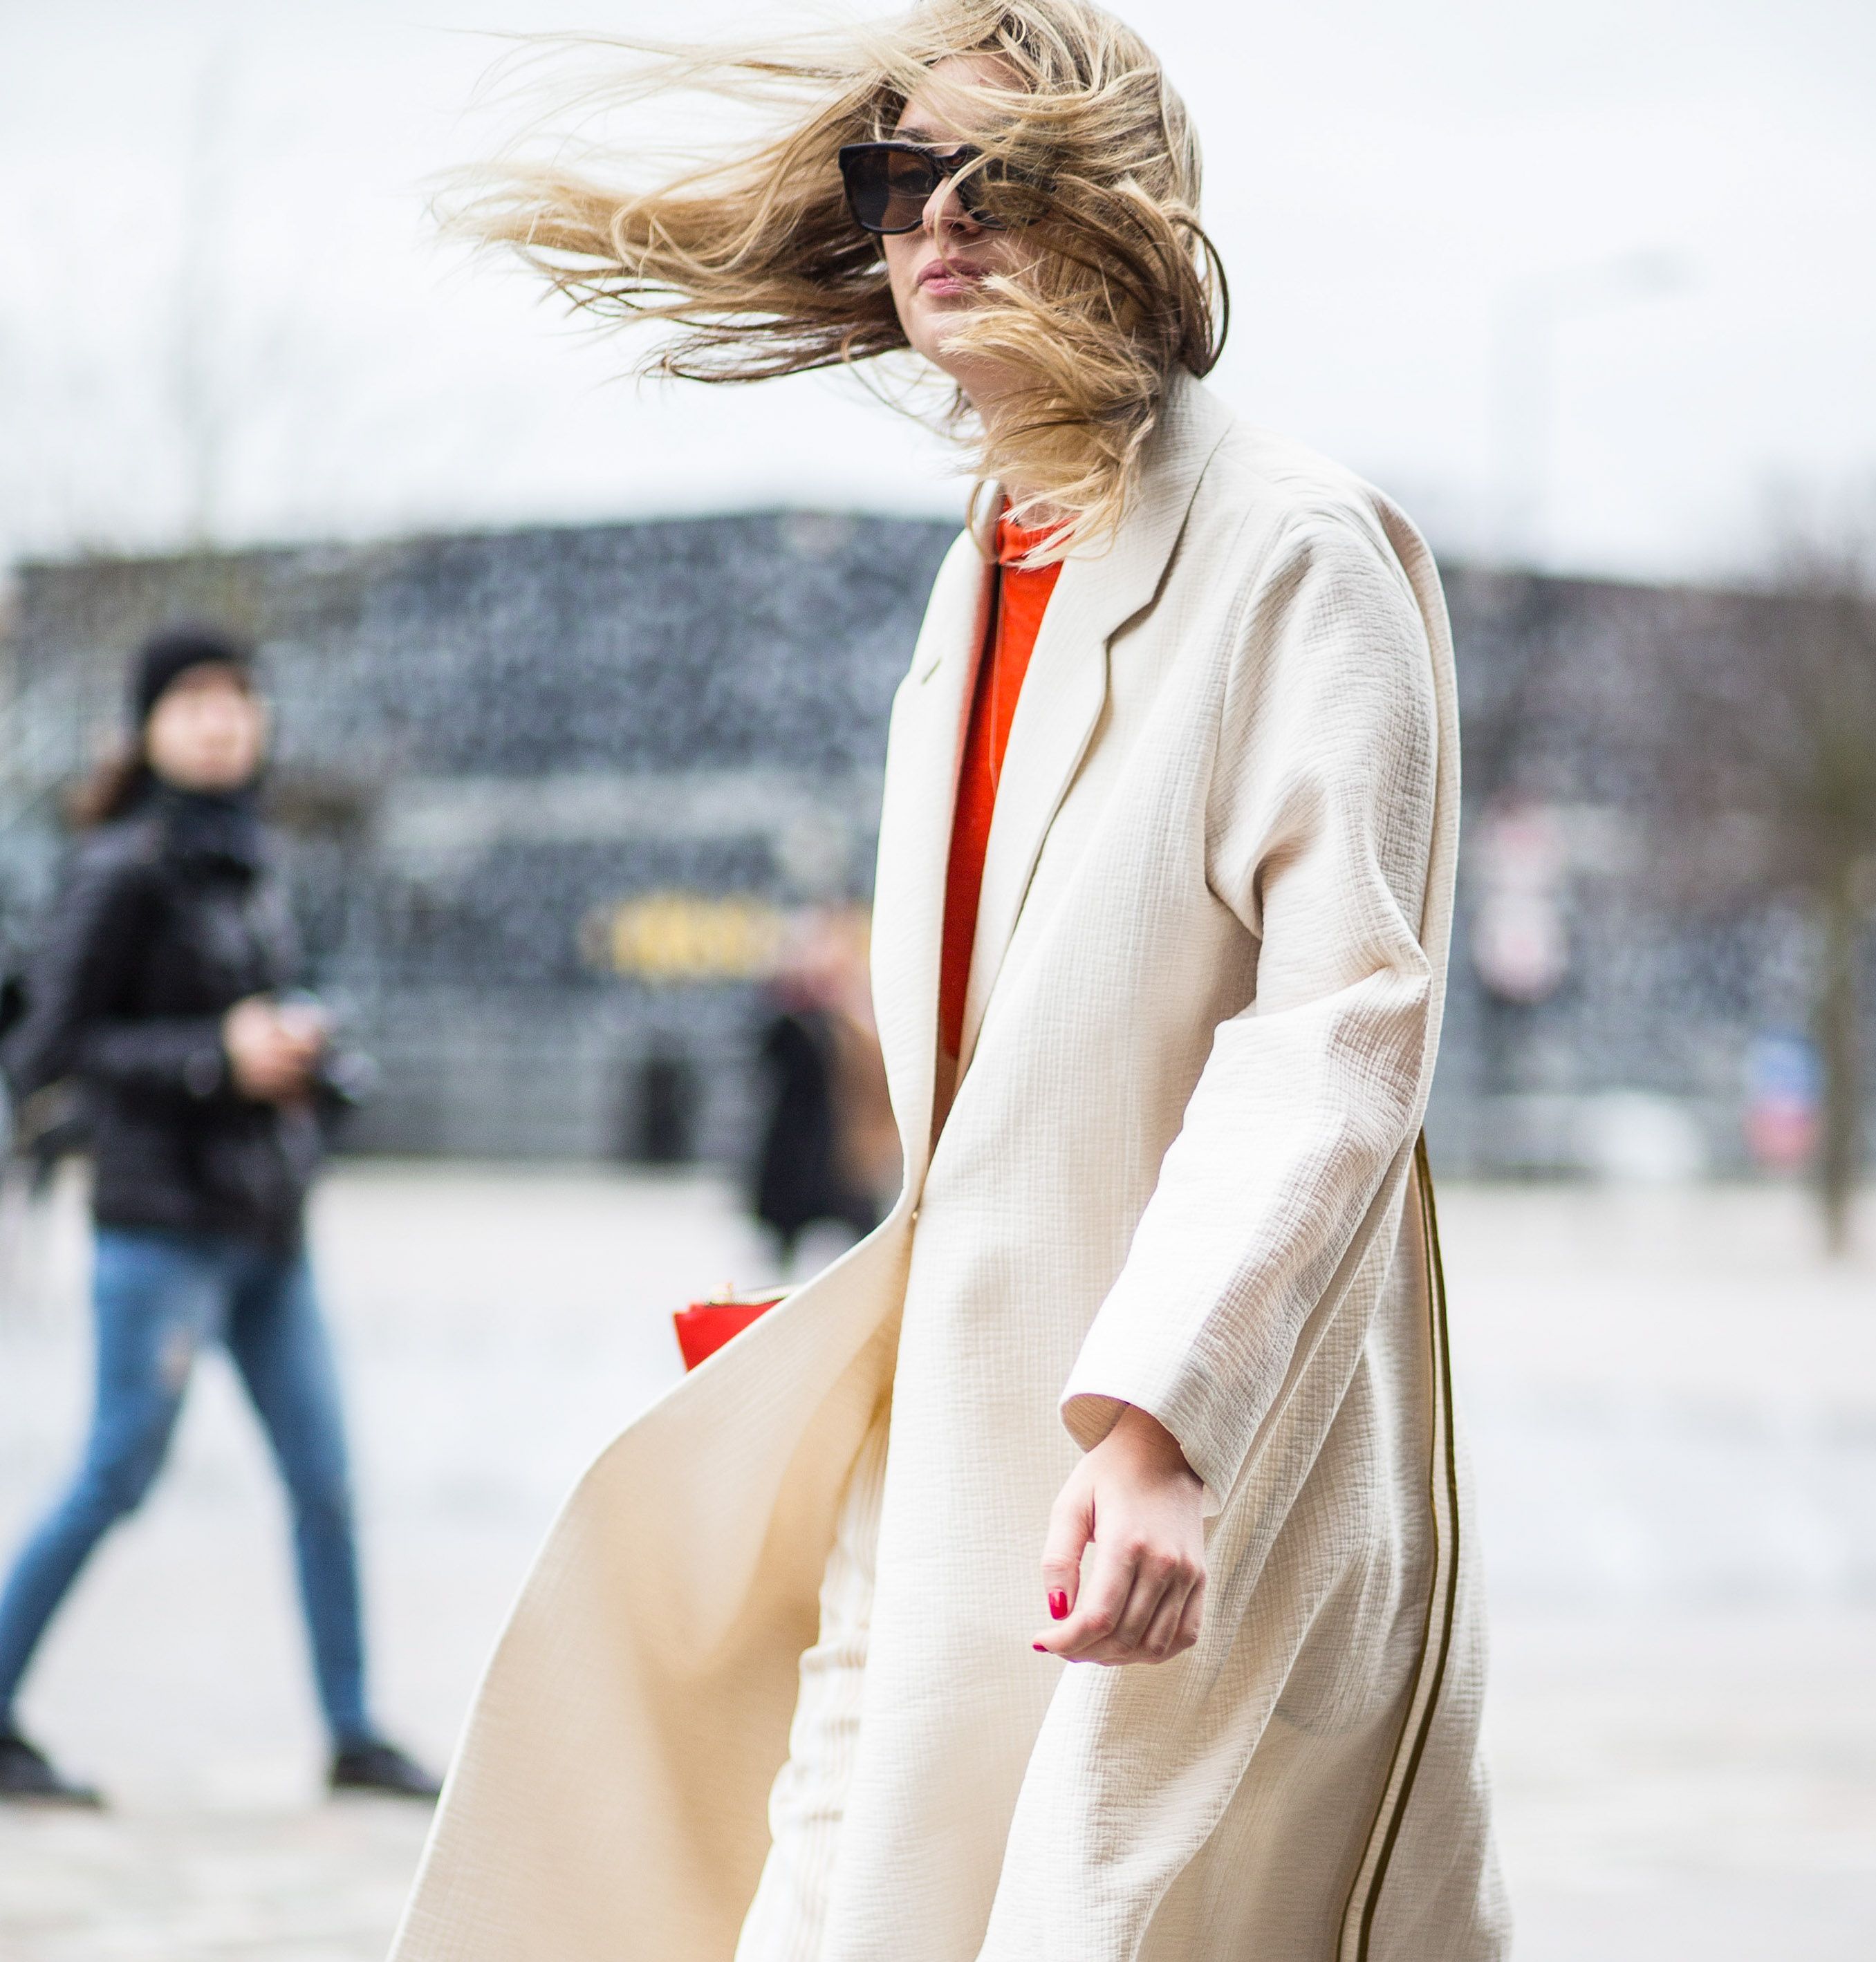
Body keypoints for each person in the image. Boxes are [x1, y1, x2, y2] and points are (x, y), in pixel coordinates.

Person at [394, 3, 1507, 1956]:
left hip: (1171, 1481)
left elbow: (1335, 1032)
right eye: (902, 177)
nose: (938, 223)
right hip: (946, 1447)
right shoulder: (985, 554)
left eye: (1001, 178)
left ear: (1127, 207)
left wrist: (1160, 1426)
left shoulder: (1293, 552)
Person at [0, 628, 438, 1806]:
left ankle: (351, 1731)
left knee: (325, 1477)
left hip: (265, 1227)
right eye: (191, 700)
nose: (218, 720)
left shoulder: (247, 859)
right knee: (115, 1470)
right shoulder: (122, 866)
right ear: (147, 725)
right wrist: (214, 1057)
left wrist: (305, 1058)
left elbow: (253, 1026)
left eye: (236, 698)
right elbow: (45, 1050)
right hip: (159, 1228)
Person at [751, 907, 901, 1273]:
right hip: (800, 1143)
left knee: (858, 1221)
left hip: (845, 1142)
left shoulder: (852, 1014)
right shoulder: (795, 1019)